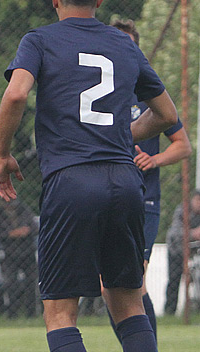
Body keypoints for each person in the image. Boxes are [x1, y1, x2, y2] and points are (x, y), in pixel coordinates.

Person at [0, 0, 178, 352]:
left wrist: (1, 156)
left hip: (71, 181)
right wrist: (123, 135)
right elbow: (166, 114)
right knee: (129, 305)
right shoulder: (123, 46)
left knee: (60, 313)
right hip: (126, 181)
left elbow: (16, 93)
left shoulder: (39, 40)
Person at [107, 19, 191, 334]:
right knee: (109, 286)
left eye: (129, 45)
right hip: (106, 195)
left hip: (143, 199)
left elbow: (184, 146)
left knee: (133, 282)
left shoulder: (148, 95)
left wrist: (154, 159)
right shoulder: (100, 95)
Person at [0, 196, 37, 317]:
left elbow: (35, 227)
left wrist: (26, 231)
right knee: (11, 283)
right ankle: (12, 313)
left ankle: (32, 313)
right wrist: (12, 234)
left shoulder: (24, 210)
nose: (10, 206)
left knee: (31, 282)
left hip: (27, 251)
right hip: (9, 253)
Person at [164, 189, 200, 315]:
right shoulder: (182, 211)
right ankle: (170, 310)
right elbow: (175, 232)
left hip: (195, 251)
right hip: (177, 249)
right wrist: (193, 233)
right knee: (174, 279)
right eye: (198, 200)